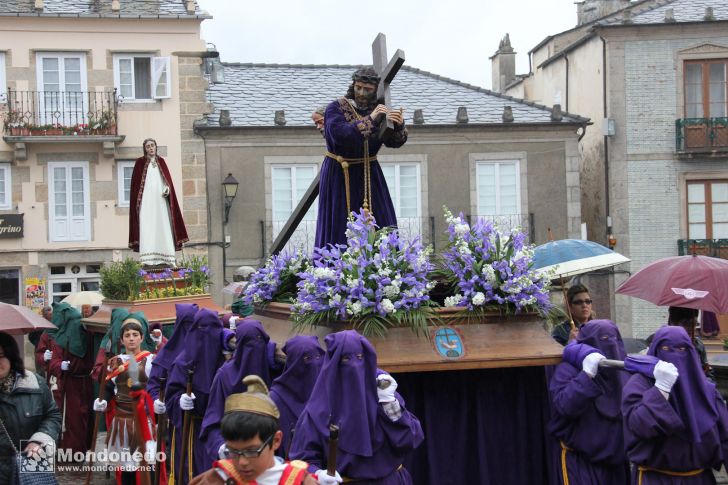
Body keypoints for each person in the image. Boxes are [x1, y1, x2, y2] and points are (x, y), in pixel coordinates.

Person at [290, 330, 424, 484]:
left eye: (359, 357)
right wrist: (317, 474)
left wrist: (389, 403)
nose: (354, 365)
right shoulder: (317, 411)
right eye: (346, 359)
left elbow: (410, 438)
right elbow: (302, 460)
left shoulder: (382, 394)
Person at [621, 326, 728, 484]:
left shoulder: (706, 391)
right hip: (656, 478)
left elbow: (725, 439)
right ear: (656, 351)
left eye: (681, 348)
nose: (674, 354)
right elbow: (638, 426)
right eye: (665, 348)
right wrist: (661, 390)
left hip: (699, 478)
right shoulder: (640, 385)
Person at [316, 67, 407, 247]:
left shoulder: (381, 111)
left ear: (375, 90)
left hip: (370, 173)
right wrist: (372, 118)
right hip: (340, 174)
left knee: (381, 221)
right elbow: (342, 136)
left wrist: (398, 124)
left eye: (368, 89)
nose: (362, 93)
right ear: (353, 85)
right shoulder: (336, 107)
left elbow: (394, 142)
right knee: (339, 224)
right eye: (358, 87)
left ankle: (386, 265)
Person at [189, 375, 317, 485]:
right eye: (233, 451)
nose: (242, 462)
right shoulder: (217, 480)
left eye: (251, 451)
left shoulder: (300, 481)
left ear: (276, 440)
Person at [548, 320, 630, 484]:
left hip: (617, 466)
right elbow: (564, 406)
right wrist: (586, 375)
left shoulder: (623, 371)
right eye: (603, 338)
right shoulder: (569, 369)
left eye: (612, 338)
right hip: (581, 464)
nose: (609, 344)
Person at [93, 316, 161, 485]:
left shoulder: (152, 361)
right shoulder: (114, 362)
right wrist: (102, 401)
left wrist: (159, 403)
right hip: (122, 421)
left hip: (144, 419)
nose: (131, 338)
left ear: (142, 338)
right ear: (122, 339)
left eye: (135, 334)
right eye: (127, 335)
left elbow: (157, 387)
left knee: (148, 462)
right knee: (127, 466)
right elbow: (108, 388)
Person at [165, 308, 229, 484]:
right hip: (191, 427)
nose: (207, 335)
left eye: (212, 328)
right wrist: (179, 400)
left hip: (217, 429)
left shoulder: (226, 361)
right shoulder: (182, 362)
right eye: (202, 328)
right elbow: (170, 396)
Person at [200, 320, 274, 463]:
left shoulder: (270, 371)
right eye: (248, 343)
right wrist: (223, 447)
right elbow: (211, 423)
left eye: (259, 342)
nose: (254, 350)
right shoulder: (224, 376)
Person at [0, 331, 61, 483]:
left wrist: (38, 441)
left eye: (0, 356)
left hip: (29, 467)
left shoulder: (35, 384)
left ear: (11, 356)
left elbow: (52, 415)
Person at [128, 138, 188, 267]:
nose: (151, 148)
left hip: (160, 202)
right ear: (145, 149)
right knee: (147, 226)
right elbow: (135, 187)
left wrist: (167, 189)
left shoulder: (162, 162)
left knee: (163, 225)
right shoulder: (139, 163)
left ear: (156, 147)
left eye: (152, 145)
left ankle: (168, 258)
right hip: (146, 202)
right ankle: (147, 259)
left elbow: (167, 182)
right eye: (148, 146)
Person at [47, 302, 94, 456]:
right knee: (72, 419)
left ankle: (82, 449)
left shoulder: (87, 334)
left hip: (86, 383)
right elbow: (54, 361)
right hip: (69, 384)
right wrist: (61, 365)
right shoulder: (60, 340)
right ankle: (71, 452)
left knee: (85, 416)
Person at [269, 335, 324, 459]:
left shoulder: (325, 392)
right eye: (306, 358)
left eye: (318, 357)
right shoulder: (275, 398)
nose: (314, 363)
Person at [645, 306, 715, 382]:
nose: (691, 328)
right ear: (672, 322)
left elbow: (707, 372)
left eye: (694, 324)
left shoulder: (698, 344)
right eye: (686, 324)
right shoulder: (657, 341)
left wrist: (704, 384)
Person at [146, 303, 199, 402]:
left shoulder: (206, 348)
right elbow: (154, 386)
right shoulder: (165, 355)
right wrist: (157, 400)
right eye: (186, 324)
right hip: (173, 412)